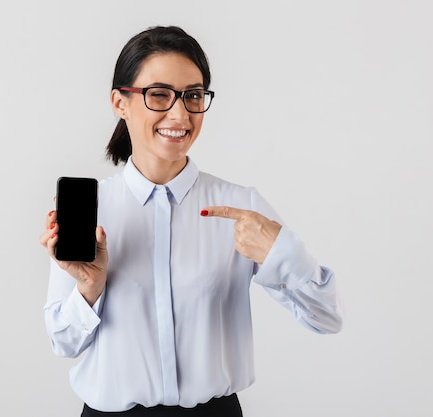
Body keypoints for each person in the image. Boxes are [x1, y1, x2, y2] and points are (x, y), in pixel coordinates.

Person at [39, 25, 343, 417]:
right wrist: (89, 289)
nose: (180, 114)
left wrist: (281, 252)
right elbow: (62, 343)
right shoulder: (90, 210)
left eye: (193, 96)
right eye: (159, 94)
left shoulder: (240, 207)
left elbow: (327, 318)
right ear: (120, 102)